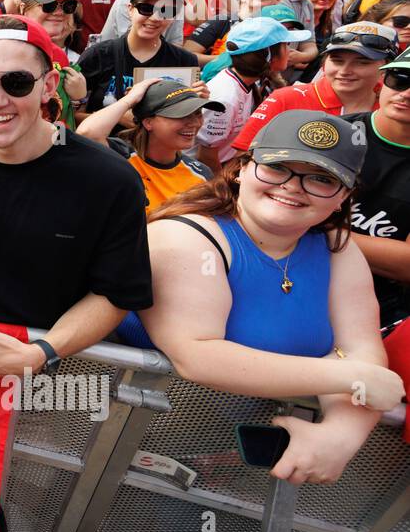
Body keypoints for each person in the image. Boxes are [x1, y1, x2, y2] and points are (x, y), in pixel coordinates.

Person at [120, 111, 402, 484]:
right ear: (241, 168)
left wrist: (341, 434)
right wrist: (351, 377)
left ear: (343, 196)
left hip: (240, 459)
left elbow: (360, 351)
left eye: (321, 178)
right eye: (277, 166)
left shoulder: (336, 248)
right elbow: (198, 355)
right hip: (127, 443)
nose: (292, 186)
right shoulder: (185, 236)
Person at [0, 15, 152, 374]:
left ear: (49, 84)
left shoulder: (111, 181)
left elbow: (115, 295)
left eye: (17, 82)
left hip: (54, 365)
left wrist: (39, 353)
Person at [231, 22, 398, 151]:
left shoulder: (396, 107)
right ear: (324, 65)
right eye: (337, 61)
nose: (345, 71)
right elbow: (243, 155)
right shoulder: (286, 99)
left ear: (387, 67)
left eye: (362, 63)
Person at [76, 78, 220, 212]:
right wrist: (130, 100)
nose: (195, 123)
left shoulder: (201, 174)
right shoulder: (121, 157)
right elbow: (87, 133)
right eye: (182, 115)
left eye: (197, 113)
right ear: (148, 122)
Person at [347, 47, 410, 328]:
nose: (406, 93)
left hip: (383, 306)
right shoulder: (334, 134)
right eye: (400, 79)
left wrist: (314, 231)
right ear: (382, 83)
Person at [197, 17, 312, 168]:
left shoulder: (247, 81)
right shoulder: (226, 97)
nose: (290, 50)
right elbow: (206, 157)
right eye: (286, 44)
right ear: (268, 55)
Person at [77, 0, 200, 116]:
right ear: (130, 9)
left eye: (166, 11)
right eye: (146, 8)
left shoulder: (184, 61)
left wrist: (197, 103)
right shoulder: (99, 54)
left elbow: (186, 120)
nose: (155, 18)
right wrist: (117, 117)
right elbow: (73, 116)